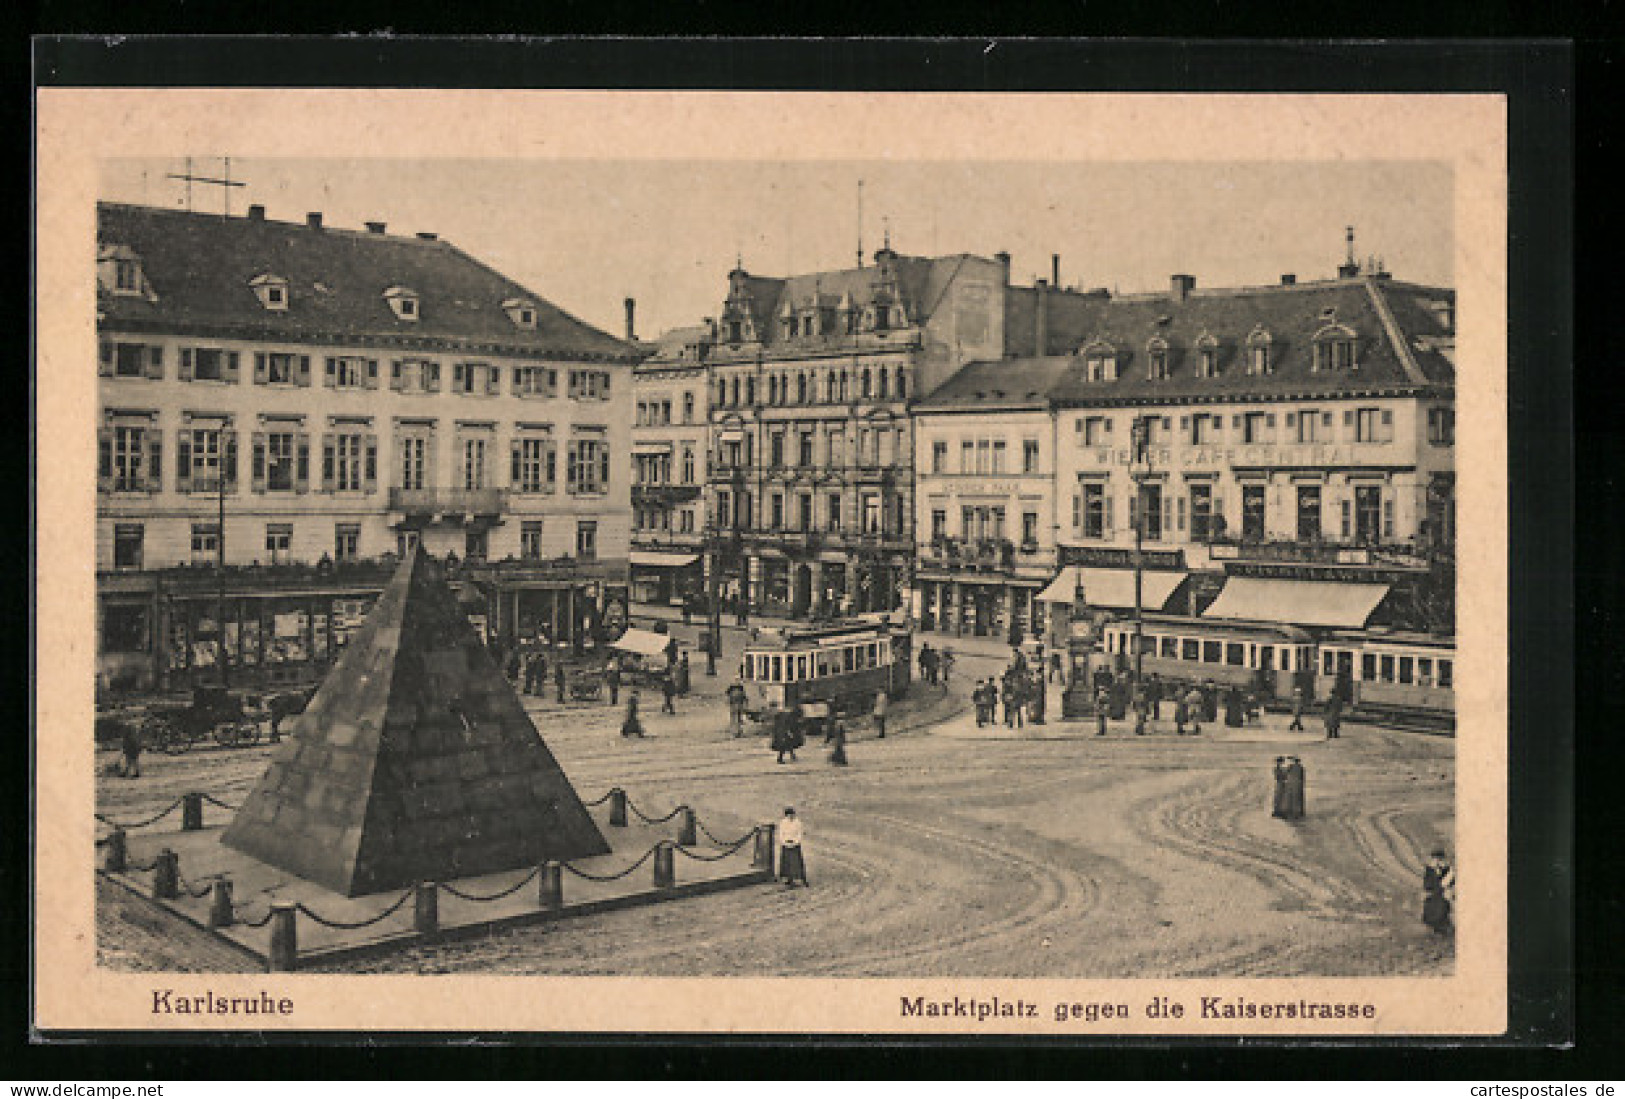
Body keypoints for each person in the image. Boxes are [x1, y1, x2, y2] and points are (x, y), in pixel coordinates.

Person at [1422, 849, 1454, 935]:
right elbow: (1428, 885)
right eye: (1435, 859)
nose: (1437, 861)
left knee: (1442, 907)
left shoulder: (1446, 870)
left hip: (1441, 897)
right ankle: (1436, 927)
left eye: (1439, 859)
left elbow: (1451, 883)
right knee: (1433, 908)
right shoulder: (1430, 871)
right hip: (1434, 896)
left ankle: (1442, 926)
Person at [777, 807, 810, 887]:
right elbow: (781, 834)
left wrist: (795, 842)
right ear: (786, 815)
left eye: (792, 815)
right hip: (785, 844)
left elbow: (800, 834)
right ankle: (789, 879)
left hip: (795, 845)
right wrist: (785, 842)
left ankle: (801, 879)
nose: (790, 817)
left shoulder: (798, 823)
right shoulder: (783, 823)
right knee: (787, 863)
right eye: (789, 815)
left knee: (796, 862)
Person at [1283, 756, 1306, 820]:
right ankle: (1298, 813)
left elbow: (1286, 775)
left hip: (1292, 784)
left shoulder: (1291, 767)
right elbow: (1302, 777)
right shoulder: (1301, 768)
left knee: (1291, 798)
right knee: (1297, 798)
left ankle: (1292, 813)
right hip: (1298, 784)